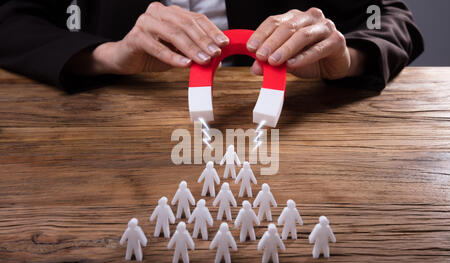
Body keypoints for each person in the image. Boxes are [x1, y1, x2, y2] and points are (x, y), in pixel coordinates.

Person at [0, 1, 423, 93]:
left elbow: (390, 16)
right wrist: (102, 54)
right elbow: (10, 19)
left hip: (291, 116)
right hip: (123, 108)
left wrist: (349, 57)